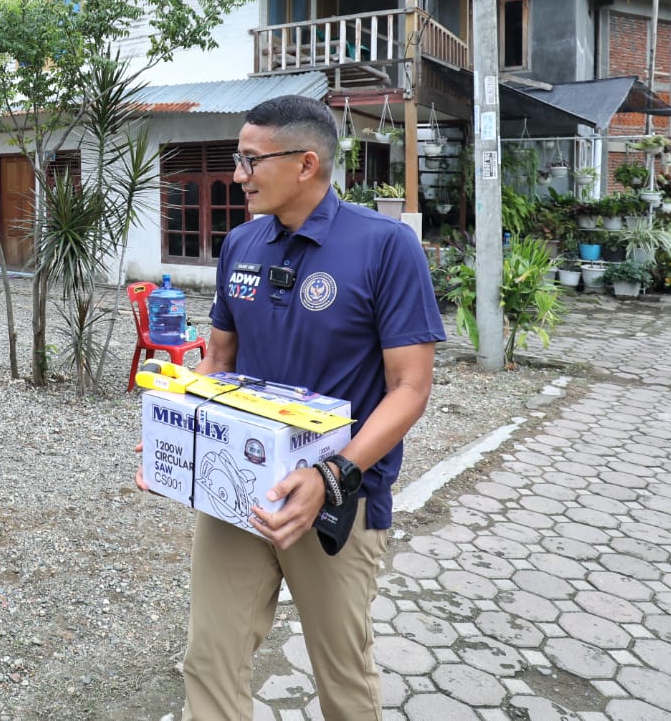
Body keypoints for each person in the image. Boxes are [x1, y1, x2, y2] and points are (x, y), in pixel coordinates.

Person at [139, 95, 443, 721]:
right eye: (238, 158)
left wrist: (333, 474)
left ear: (307, 164)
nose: (236, 175)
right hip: (240, 488)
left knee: (341, 677)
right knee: (210, 657)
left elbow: (410, 387)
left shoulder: (385, 247)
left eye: (250, 160)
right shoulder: (242, 243)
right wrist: (176, 439)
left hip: (335, 500)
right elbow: (218, 362)